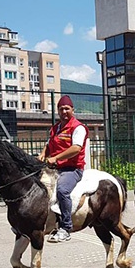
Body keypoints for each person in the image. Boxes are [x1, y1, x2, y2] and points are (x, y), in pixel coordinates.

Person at [38, 95, 89, 243]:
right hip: (55, 168)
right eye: (61, 109)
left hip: (72, 169)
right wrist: (43, 154)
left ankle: (66, 227)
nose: (64, 111)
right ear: (58, 111)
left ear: (73, 110)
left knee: (62, 190)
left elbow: (76, 148)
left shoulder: (78, 128)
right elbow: (49, 145)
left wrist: (56, 158)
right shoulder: (55, 128)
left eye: (67, 108)